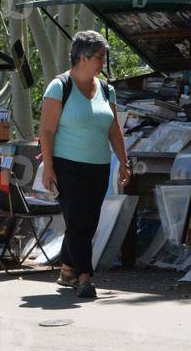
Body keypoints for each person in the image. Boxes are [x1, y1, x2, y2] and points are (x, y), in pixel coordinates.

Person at [39, 31, 130, 299]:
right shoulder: (60, 86)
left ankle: (67, 267)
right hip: (67, 165)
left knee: (88, 222)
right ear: (82, 57)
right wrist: (48, 167)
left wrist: (124, 162)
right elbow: (46, 130)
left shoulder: (106, 90)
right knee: (78, 221)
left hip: (99, 165)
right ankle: (84, 277)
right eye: (99, 58)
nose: (102, 63)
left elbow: (114, 130)